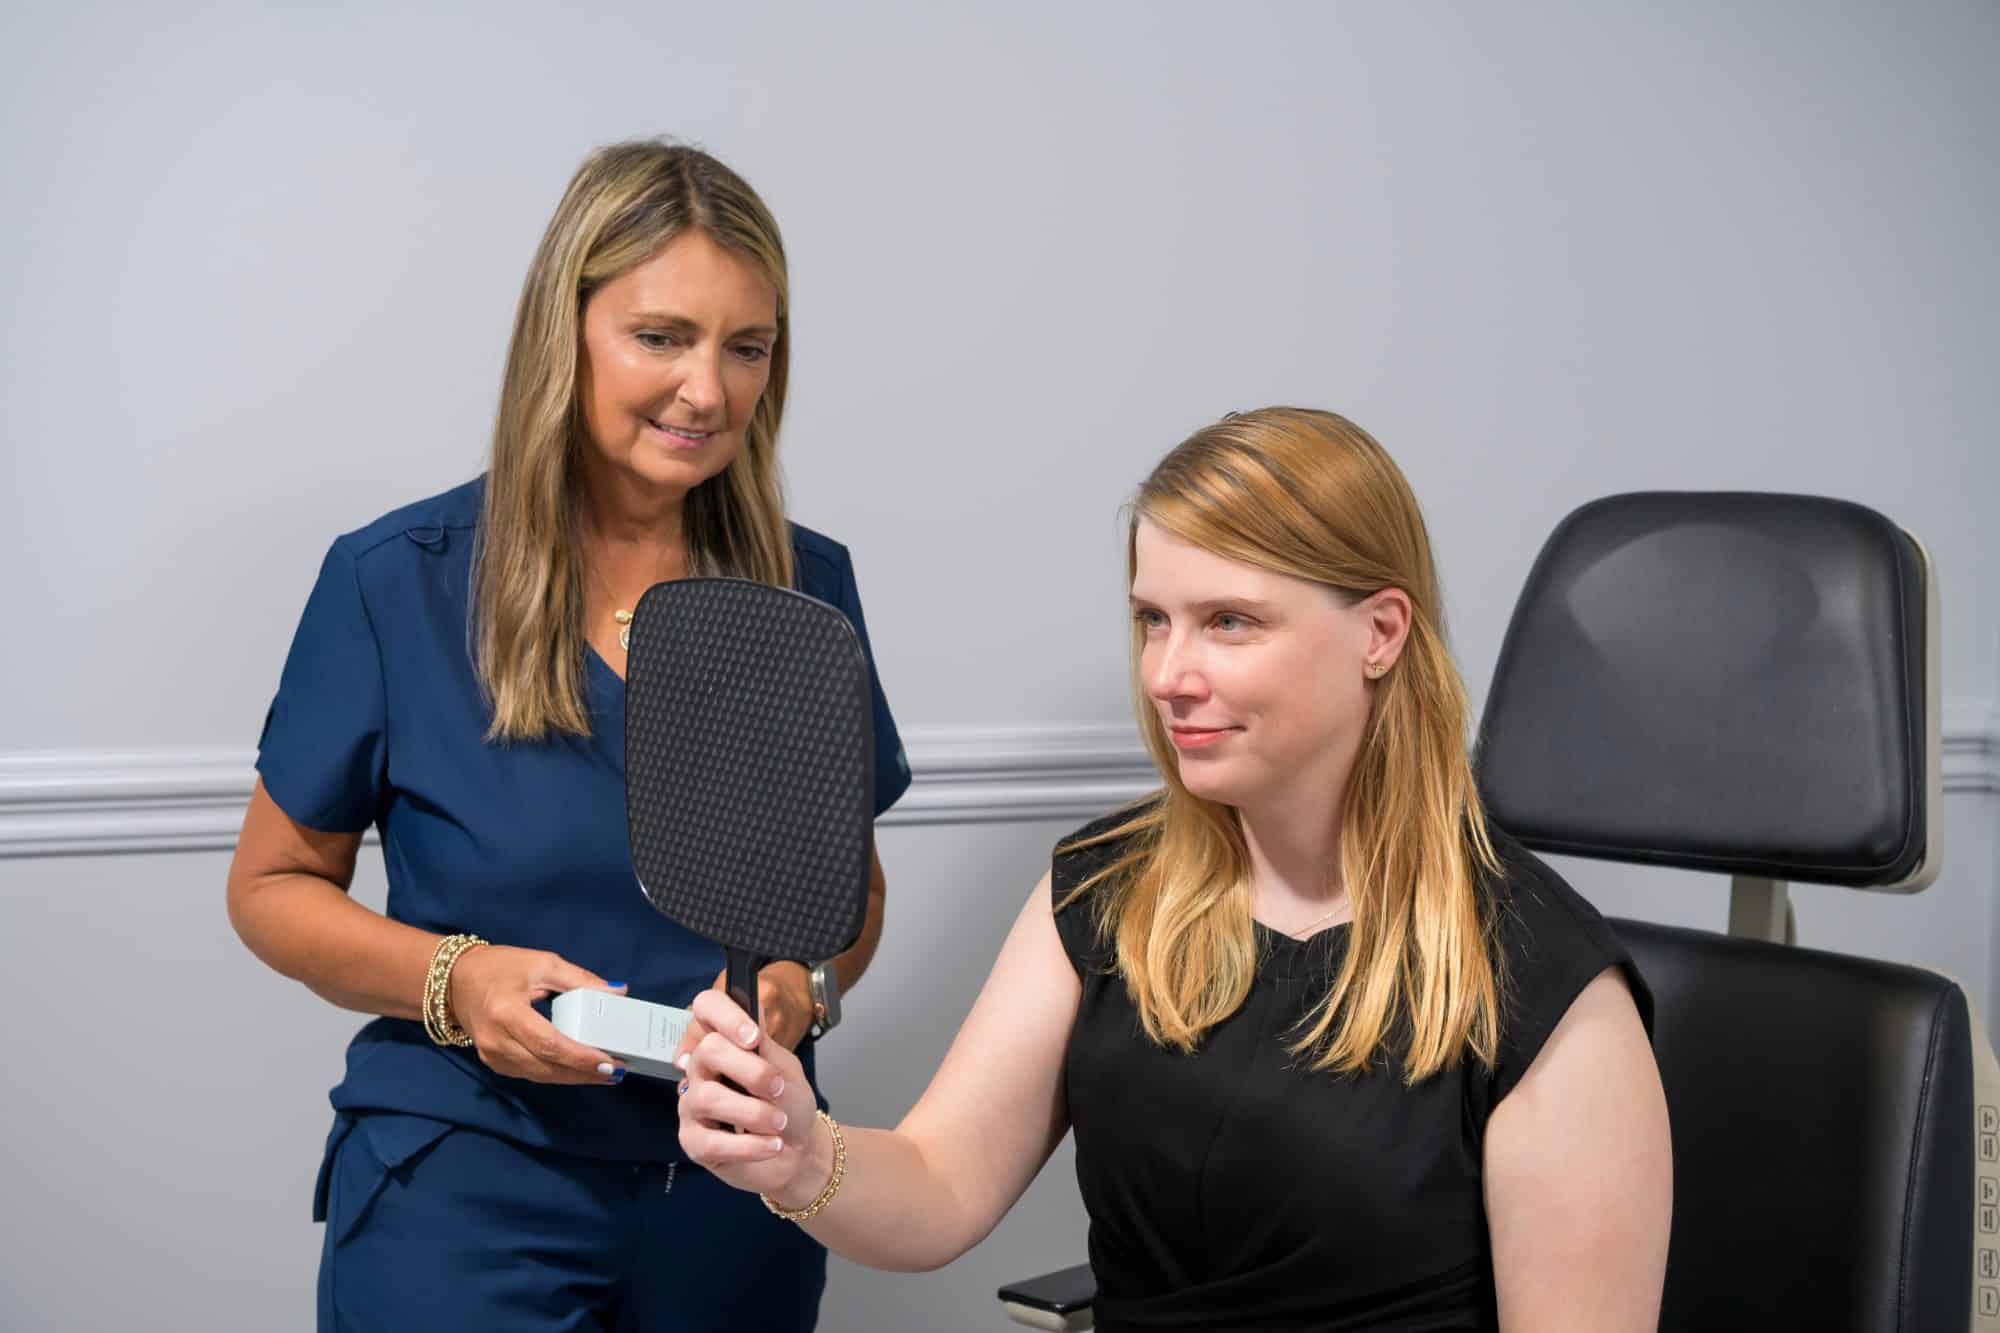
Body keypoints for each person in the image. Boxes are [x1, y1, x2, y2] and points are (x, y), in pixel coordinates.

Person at [677, 407, 1671, 1330]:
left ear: (1379, 633)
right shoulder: (1110, 890)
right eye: (1152, 618)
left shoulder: (1544, 988)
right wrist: (801, 1153)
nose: (1165, 675)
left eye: (1228, 621)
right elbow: (936, 1186)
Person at [225, 139, 909, 1332]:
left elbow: (845, 895)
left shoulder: (808, 591)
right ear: (567, 332)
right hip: (464, 1185)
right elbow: (272, 885)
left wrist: (807, 984)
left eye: (746, 347)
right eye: (661, 336)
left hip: (734, 1195)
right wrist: (452, 979)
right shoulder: (396, 584)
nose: (709, 390)